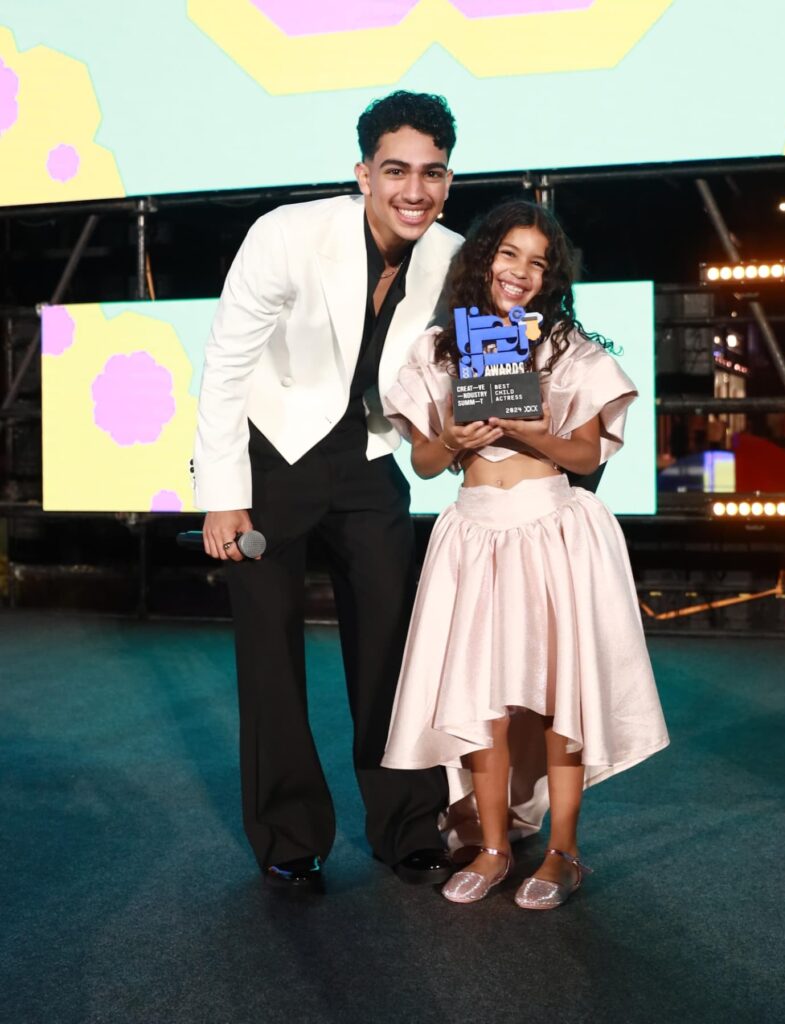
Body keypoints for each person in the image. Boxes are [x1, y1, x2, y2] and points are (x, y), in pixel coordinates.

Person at [193, 91, 463, 888]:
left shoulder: (454, 257)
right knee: (269, 650)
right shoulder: (287, 235)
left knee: (393, 644)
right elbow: (226, 364)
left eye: (432, 173)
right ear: (363, 174)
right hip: (270, 454)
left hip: (369, 453)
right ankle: (290, 836)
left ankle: (409, 824)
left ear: (448, 180)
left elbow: (479, 358)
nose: (414, 189)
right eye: (396, 171)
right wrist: (222, 494)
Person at [381, 200, 669, 908]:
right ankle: (492, 846)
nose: (522, 272)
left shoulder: (566, 348)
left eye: (539, 262)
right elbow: (424, 463)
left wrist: (531, 427)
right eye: (509, 254)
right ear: (482, 259)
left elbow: (588, 454)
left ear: (552, 277)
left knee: (557, 699)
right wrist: (454, 439)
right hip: (473, 535)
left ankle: (564, 852)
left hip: (551, 529)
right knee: (479, 701)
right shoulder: (439, 349)